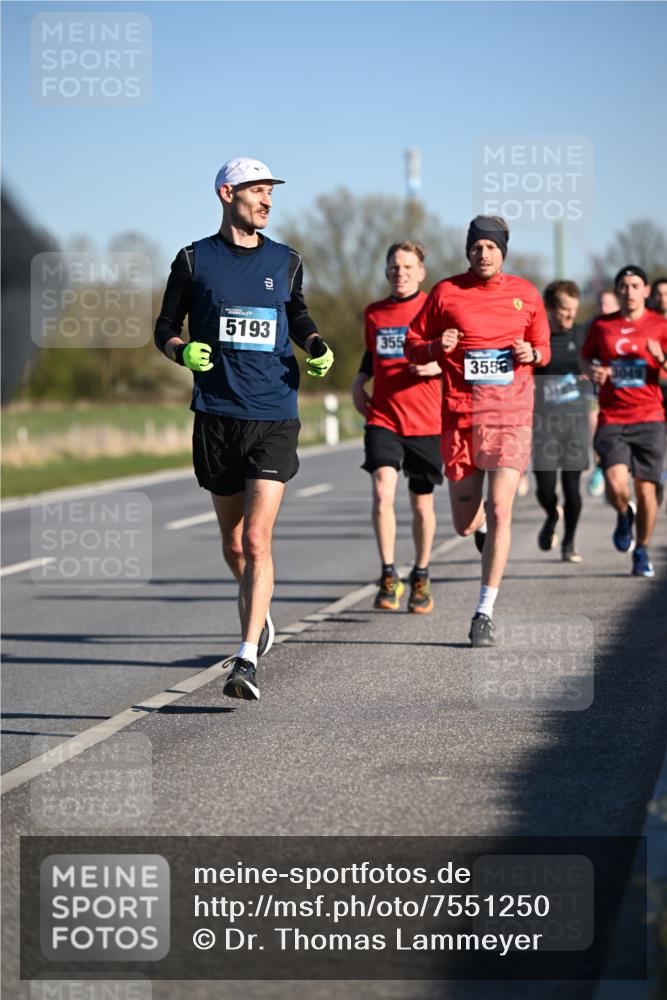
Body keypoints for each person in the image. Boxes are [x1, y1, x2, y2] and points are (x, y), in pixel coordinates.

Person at [154, 157, 334, 700]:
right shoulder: (193, 259)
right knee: (234, 543)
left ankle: (247, 658)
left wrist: (317, 342)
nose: (268, 201)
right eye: (258, 191)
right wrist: (183, 350)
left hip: (274, 412)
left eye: (271, 193)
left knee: (257, 538)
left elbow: (295, 313)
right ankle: (259, 610)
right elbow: (163, 327)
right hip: (217, 416)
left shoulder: (287, 259)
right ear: (227, 193)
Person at [405, 215, 550, 647]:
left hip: (510, 416)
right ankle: (482, 530)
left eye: (491, 247)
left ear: (503, 250)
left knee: (503, 509)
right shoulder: (446, 293)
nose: (483, 253)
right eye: (476, 246)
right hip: (460, 418)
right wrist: (435, 347)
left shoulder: (526, 294)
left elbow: (542, 348)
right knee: (467, 524)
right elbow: (411, 342)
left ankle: (483, 611)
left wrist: (532, 352)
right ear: (467, 250)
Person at [351, 241, 442, 613]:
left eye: (407, 267)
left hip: (426, 419)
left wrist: (437, 367)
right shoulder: (374, 313)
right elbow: (372, 356)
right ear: (386, 271)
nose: (399, 272)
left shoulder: (435, 309)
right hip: (384, 416)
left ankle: (420, 574)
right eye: (394, 267)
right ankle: (389, 574)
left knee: (421, 505)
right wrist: (359, 380)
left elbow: (457, 355)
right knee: (382, 491)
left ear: (421, 272)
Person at [581, 265, 667, 577]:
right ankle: (622, 512)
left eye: (635, 285)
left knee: (647, 492)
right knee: (616, 485)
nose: (629, 291)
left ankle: (642, 550)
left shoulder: (660, 325)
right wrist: (593, 371)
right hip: (612, 417)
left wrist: (661, 360)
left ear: (646, 291)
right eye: (624, 286)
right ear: (617, 291)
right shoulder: (602, 326)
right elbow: (585, 357)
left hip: (650, 418)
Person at [532, 280, 589, 562]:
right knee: (543, 488)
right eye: (564, 310)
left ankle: (569, 543)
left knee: (573, 489)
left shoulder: (582, 336)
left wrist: (593, 373)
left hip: (575, 424)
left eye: (574, 310)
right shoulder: (537, 337)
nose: (570, 315)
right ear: (551, 309)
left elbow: (599, 363)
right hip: (544, 425)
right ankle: (552, 513)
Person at [586, 289, 620, 498]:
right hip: (595, 392)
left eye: (608, 304)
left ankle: (615, 471)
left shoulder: (626, 328)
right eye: (601, 303)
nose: (603, 308)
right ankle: (600, 468)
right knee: (596, 431)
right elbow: (581, 356)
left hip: (621, 394)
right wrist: (585, 368)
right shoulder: (591, 327)